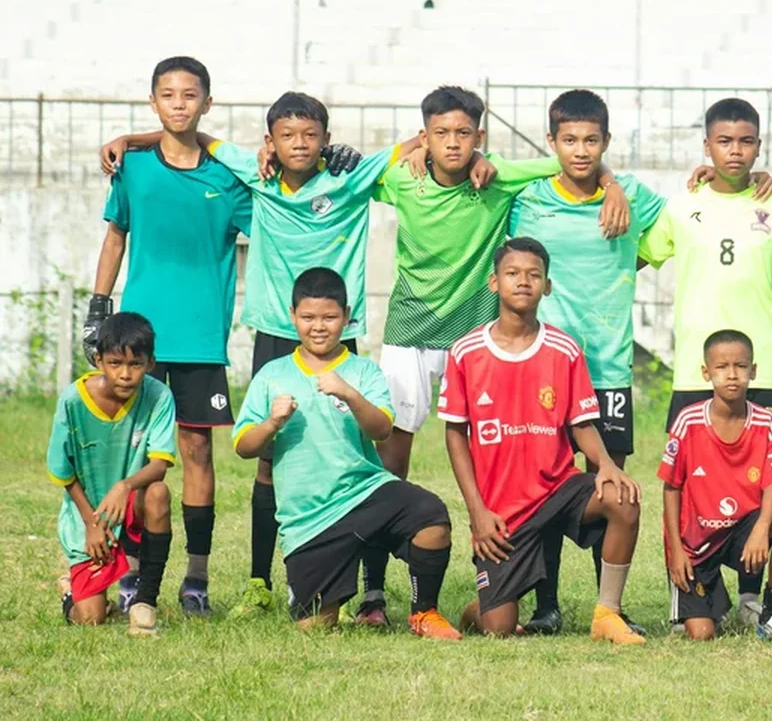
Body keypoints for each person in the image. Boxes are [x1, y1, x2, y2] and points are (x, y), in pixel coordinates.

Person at [98, 91, 408, 617]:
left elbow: (421, 145)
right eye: (287, 136)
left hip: (337, 332)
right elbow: (194, 136)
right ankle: (259, 582)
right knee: (267, 459)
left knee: (350, 458)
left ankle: (365, 589)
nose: (299, 144)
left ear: (327, 139)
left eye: (311, 135)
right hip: (275, 332)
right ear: (269, 142)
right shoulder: (257, 177)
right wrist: (130, 139)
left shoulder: (349, 178)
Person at [370, 86, 630, 624]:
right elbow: (352, 174)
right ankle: (374, 592)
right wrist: (406, 149)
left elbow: (571, 159)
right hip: (411, 328)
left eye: (463, 133)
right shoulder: (402, 177)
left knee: (522, 440)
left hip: (473, 334)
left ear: (480, 137)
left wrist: (612, 184)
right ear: (425, 136)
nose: (452, 143)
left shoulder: (498, 176)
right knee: (391, 461)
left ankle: (535, 583)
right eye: (440, 134)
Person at [85, 56, 251, 618]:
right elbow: (115, 238)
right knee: (135, 452)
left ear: (208, 102)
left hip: (201, 339)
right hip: (139, 342)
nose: (179, 104)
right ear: (153, 101)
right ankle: (132, 572)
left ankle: (196, 577)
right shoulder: (132, 167)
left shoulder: (228, 177)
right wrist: (98, 310)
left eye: (189, 95)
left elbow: (273, 225)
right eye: (168, 94)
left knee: (197, 450)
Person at [640, 97, 772, 621]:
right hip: (696, 368)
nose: (735, 151)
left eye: (745, 141)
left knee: (757, 484)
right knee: (689, 485)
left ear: (759, 146)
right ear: (706, 146)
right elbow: (637, 254)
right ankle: (687, 592)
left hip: (760, 369)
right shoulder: (681, 205)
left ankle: (752, 600)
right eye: (724, 141)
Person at [507, 89, 667, 635]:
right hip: (542, 366)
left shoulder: (635, 198)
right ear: (551, 141)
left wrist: (615, 190)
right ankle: (546, 606)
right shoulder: (527, 200)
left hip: (608, 367)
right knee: (545, 487)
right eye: (569, 140)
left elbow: (679, 226)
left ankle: (609, 607)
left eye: (591, 140)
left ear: (606, 141)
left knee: (610, 485)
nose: (580, 150)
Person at [233, 267, 460, 638]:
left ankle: (424, 612)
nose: (318, 327)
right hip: (308, 521)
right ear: (292, 316)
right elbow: (243, 447)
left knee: (431, 516)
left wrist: (350, 394)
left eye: (329, 317)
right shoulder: (272, 375)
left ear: (346, 316)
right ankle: (327, 593)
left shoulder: (363, 372)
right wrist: (272, 423)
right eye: (308, 318)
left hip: (364, 493)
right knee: (315, 627)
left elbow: (382, 429)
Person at [442, 238, 645, 644]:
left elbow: (581, 424)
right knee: (499, 627)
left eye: (534, 275)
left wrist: (606, 464)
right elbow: (455, 435)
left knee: (622, 498)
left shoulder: (564, 349)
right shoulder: (466, 351)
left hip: (557, 490)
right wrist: (478, 511)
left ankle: (607, 613)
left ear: (547, 286)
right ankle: (476, 608)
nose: (523, 281)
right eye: (512, 273)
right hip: (503, 512)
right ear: (494, 283)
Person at [659, 330, 772, 645]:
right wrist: (676, 550)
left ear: (752, 371)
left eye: (740, 366)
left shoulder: (766, 423)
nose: (731, 375)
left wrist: (761, 528)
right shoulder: (688, 422)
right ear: (706, 373)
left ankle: (770, 614)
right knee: (702, 634)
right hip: (696, 545)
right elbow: (671, 489)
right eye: (722, 367)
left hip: (742, 531)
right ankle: (710, 606)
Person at [49, 313, 175, 637]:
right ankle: (70, 591)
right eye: (115, 363)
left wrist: (124, 486)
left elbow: (160, 464)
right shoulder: (73, 400)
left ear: (150, 363)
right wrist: (91, 522)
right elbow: (63, 471)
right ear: (98, 361)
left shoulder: (159, 396)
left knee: (158, 493)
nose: (125, 374)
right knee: (90, 618)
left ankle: (145, 602)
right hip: (89, 514)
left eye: (135, 364)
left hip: (130, 503)